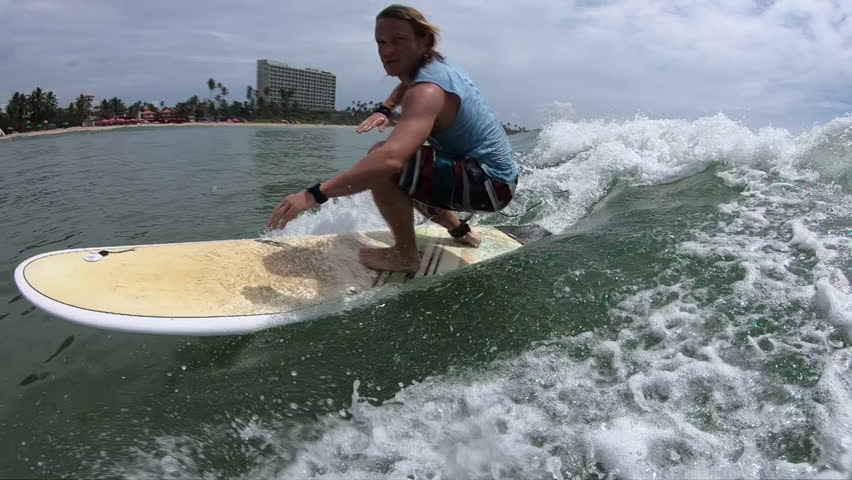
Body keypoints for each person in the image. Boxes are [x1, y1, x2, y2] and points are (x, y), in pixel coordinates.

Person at [267, 4, 518, 272]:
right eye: (381, 42)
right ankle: (460, 231)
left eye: (399, 40)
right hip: (495, 177)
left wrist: (314, 194)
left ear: (424, 41)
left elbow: (389, 161)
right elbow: (404, 84)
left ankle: (405, 255)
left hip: (489, 184)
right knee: (414, 167)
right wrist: (385, 109)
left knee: (385, 162)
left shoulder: (427, 91)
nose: (387, 51)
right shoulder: (434, 65)